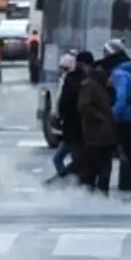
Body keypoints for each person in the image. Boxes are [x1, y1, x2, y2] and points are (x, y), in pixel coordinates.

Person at [101, 40, 131, 192]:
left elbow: (121, 98)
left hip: (121, 120)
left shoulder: (118, 74)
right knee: (128, 151)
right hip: (128, 118)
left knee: (113, 152)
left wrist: (112, 116)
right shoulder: (127, 70)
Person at [75, 52, 116, 194]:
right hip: (106, 133)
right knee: (104, 168)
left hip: (95, 134)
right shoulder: (103, 85)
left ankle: (90, 196)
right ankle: (101, 194)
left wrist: (99, 118)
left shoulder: (90, 85)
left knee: (91, 169)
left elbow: (84, 106)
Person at [46, 52, 83, 185]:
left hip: (72, 128)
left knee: (71, 159)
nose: (61, 71)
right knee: (63, 158)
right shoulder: (68, 81)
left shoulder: (71, 82)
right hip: (70, 127)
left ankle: (66, 181)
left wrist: (60, 116)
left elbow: (66, 104)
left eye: (63, 68)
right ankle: (68, 181)